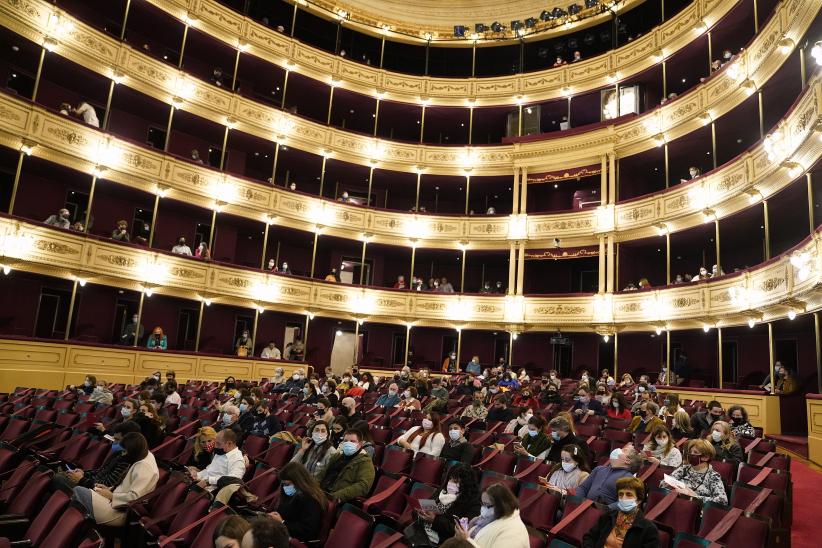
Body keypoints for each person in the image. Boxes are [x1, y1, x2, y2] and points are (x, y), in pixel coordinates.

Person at [72, 432, 159, 526]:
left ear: (132, 452)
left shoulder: (144, 467)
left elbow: (135, 499)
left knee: (78, 491)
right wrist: (109, 489)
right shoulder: (143, 455)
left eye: (125, 451)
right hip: (115, 501)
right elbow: (126, 486)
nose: (123, 454)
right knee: (78, 493)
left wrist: (111, 496)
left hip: (119, 512)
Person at [405, 463, 481, 546]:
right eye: (450, 479)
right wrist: (420, 512)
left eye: (456, 481)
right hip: (419, 533)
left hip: (439, 542)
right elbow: (423, 507)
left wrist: (435, 520)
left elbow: (459, 532)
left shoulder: (472, 504)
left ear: (466, 485)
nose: (451, 483)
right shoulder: (442, 491)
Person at [53, 421, 141, 492]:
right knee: (58, 474)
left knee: (58, 478)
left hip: (94, 491)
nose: (113, 442)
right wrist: (84, 473)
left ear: (128, 441)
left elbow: (107, 485)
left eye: (117, 440)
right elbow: (101, 471)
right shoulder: (119, 453)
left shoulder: (128, 461)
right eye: (114, 439)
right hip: (89, 483)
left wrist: (81, 479)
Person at [583, 476, 660, 547]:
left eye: (629, 495)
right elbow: (589, 537)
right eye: (621, 494)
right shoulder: (608, 517)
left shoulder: (648, 529)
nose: (624, 498)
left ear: (638, 500)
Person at [453, 483, 528, 548]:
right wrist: (468, 528)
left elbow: (469, 540)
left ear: (502, 505)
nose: (483, 508)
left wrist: (466, 540)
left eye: (487, 505)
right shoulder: (489, 516)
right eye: (482, 504)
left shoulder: (514, 531)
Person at [270, 462, 325, 543]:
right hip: (282, 534)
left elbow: (307, 531)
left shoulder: (312, 501)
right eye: (283, 484)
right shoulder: (290, 494)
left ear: (298, 482)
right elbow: (283, 513)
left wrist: (282, 522)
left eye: (287, 484)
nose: (285, 487)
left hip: (295, 541)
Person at [662, 439, 727, 504]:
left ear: (706, 457)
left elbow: (722, 500)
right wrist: (673, 486)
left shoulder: (713, 476)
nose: (691, 454)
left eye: (695, 452)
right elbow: (663, 483)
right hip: (675, 502)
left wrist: (694, 496)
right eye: (690, 452)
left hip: (696, 509)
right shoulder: (684, 468)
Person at [317, 429, 375, 502]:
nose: (348, 443)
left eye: (352, 441)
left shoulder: (365, 462)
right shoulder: (337, 456)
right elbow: (322, 472)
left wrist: (334, 496)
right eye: (345, 441)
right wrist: (314, 487)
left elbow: (363, 486)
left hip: (335, 498)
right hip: (320, 492)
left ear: (360, 444)